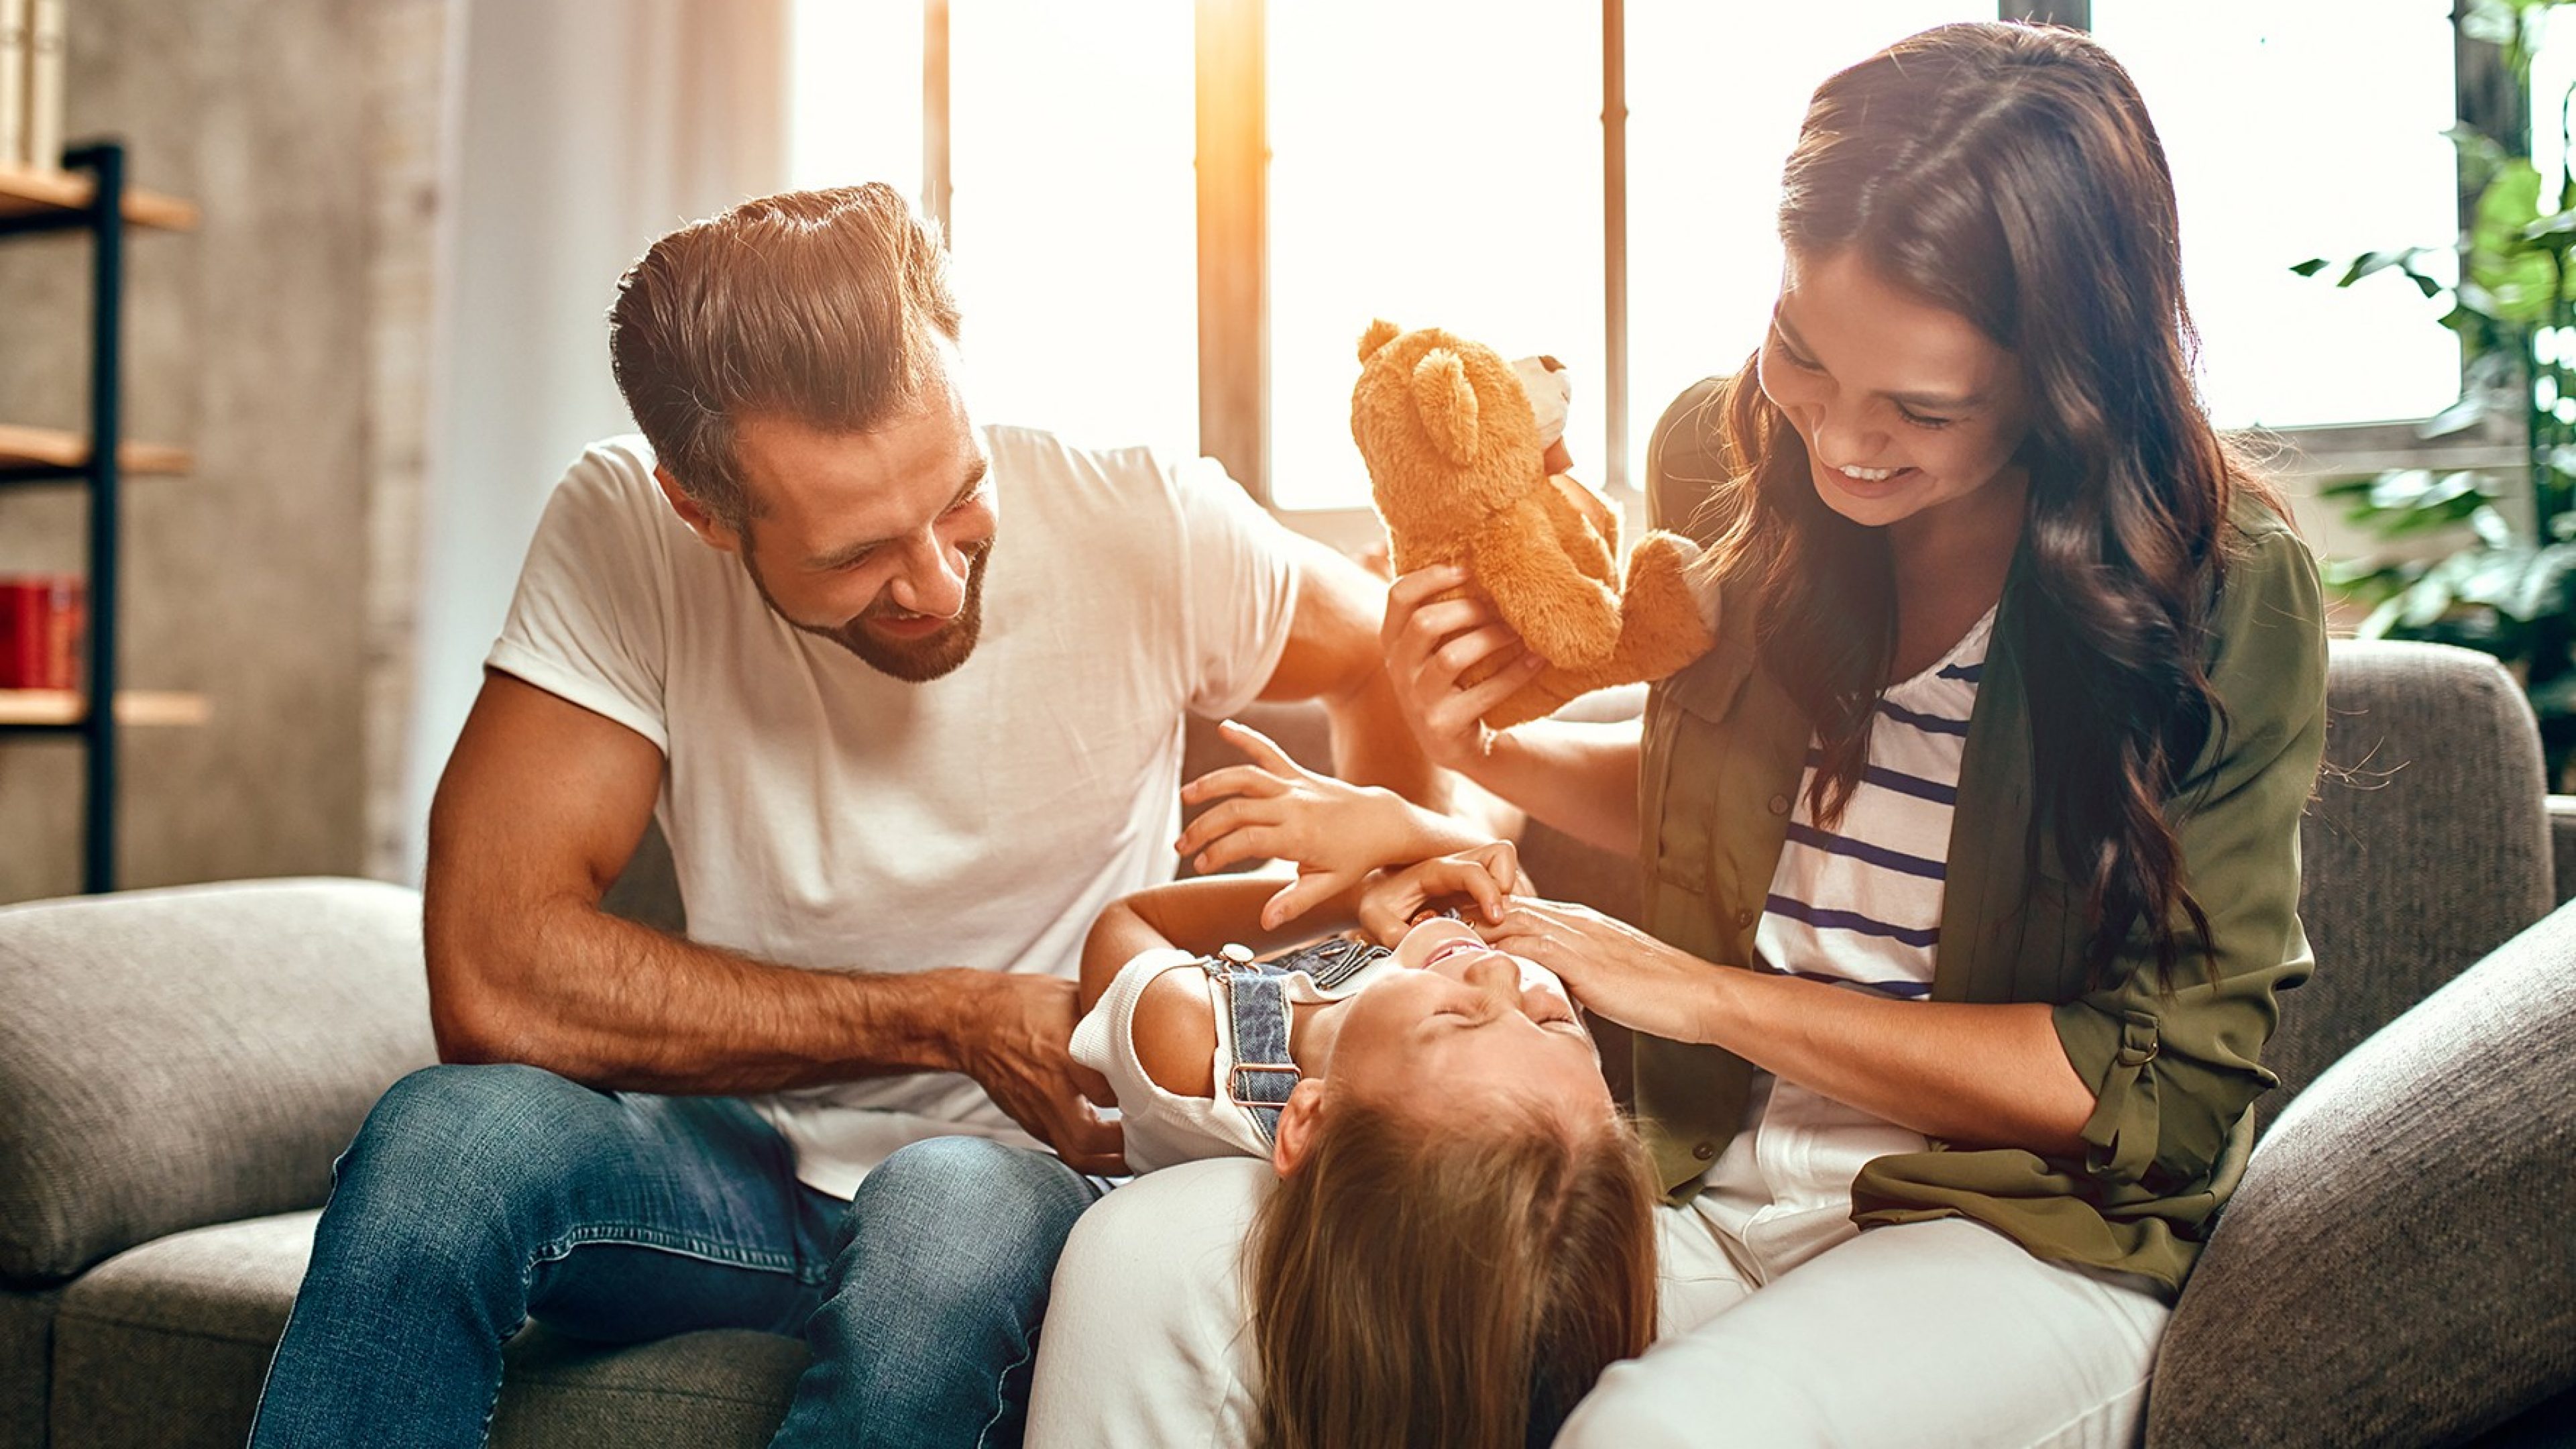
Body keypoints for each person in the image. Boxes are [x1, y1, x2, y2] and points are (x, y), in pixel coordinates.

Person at [1032, 21, 2328, 1448]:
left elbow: (2153, 1091)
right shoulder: (1731, 456)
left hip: (2004, 1234)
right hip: (1702, 1173)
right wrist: (1485, 749)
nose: (1842, 443)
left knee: (1653, 1438)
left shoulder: (2219, 590)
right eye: (1805, 358)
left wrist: (1686, 993)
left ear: (2063, 379)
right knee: (1143, 1262)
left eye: (1922, 408)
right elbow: (1753, 796)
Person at [247, 183, 1439, 1449]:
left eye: (960, 499)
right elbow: (498, 975)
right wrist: (944, 1018)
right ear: (700, 511)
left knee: (944, 1211)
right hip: (743, 1166)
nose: (935, 577)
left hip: (1021, 1174)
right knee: (444, 1140)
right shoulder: (619, 533)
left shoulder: (1149, 523)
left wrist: (1389, 952)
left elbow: (1381, 659)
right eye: (854, 554)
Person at [1068, 720, 1660, 1449]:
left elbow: (1130, 919)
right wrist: (1405, 831)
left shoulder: (1191, 1043)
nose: (1504, 972)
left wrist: (1349, 895)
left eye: (1454, 1019)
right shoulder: (1485, 1073)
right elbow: (1499, 883)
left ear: (1307, 1121)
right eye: (1552, 1020)